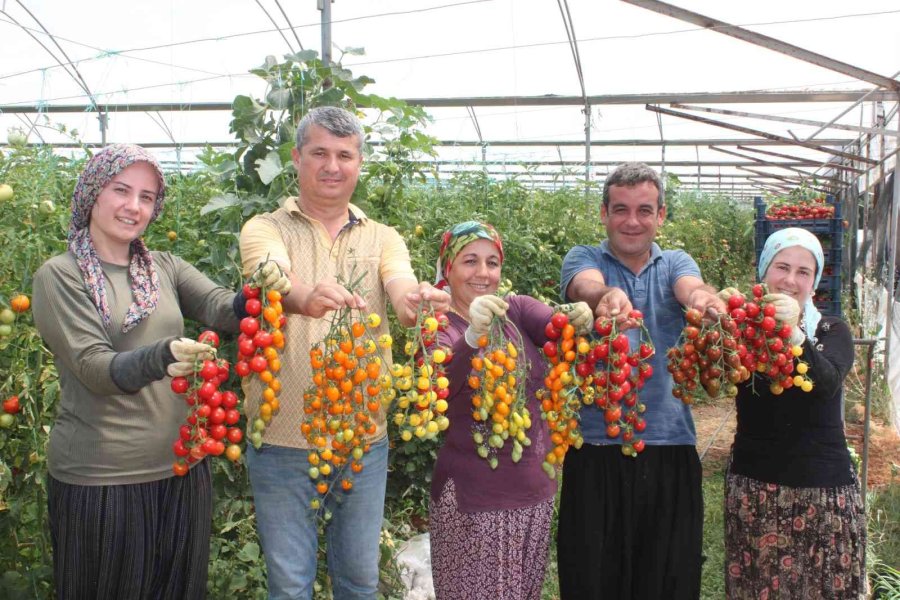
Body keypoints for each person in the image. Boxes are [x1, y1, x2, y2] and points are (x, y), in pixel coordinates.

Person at [31, 144, 289, 600]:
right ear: (93, 193)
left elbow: (218, 306)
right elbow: (95, 368)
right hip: (103, 479)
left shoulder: (164, 268)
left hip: (183, 465)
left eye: (147, 197)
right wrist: (164, 354)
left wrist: (261, 291)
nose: (134, 206)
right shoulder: (60, 276)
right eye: (122, 190)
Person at [238, 105, 450, 600]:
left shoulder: (383, 237)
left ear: (358, 163)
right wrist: (299, 296)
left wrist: (414, 302)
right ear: (296, 158)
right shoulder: (265, 227)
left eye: (344, 155)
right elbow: (270, 275)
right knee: (290, 585)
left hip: (362, 441)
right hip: (282, 439)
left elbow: (398, 287)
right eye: (319, 153)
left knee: (360, 581)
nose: (332, 166)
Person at [557, 162, 726, 599]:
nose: (632, 221)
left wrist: (706, 301)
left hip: (669, 445)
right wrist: (604, 296)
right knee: (594, 577)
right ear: (603, 213)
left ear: (661, 216)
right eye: (621, 209)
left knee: (667, 577)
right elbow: (584, 286)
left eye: (644, 210)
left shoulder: (674, 263)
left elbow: (690, 288)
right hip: (595, 444)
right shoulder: (585, 258)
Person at [427, 221, 592, 600]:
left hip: (533, 494)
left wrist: (576, 315)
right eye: (470, 261)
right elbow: (442, 384)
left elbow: (555, 328)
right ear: (447, 268)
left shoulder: (515, 309)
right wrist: (471, 338)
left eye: (492, 262)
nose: (483, 273)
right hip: (474, 501)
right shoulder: (437, 326)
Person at [722, 227, 865, 599]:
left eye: (803, 272)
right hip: (756, 489)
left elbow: (827, 382)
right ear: (764, 272)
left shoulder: (832, 329)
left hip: (825, 492)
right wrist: (712, 315)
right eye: (781, 267)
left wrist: (795, 335)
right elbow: (711, 374)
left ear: (814, 282)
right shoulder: (742, 329)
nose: (790, 280)